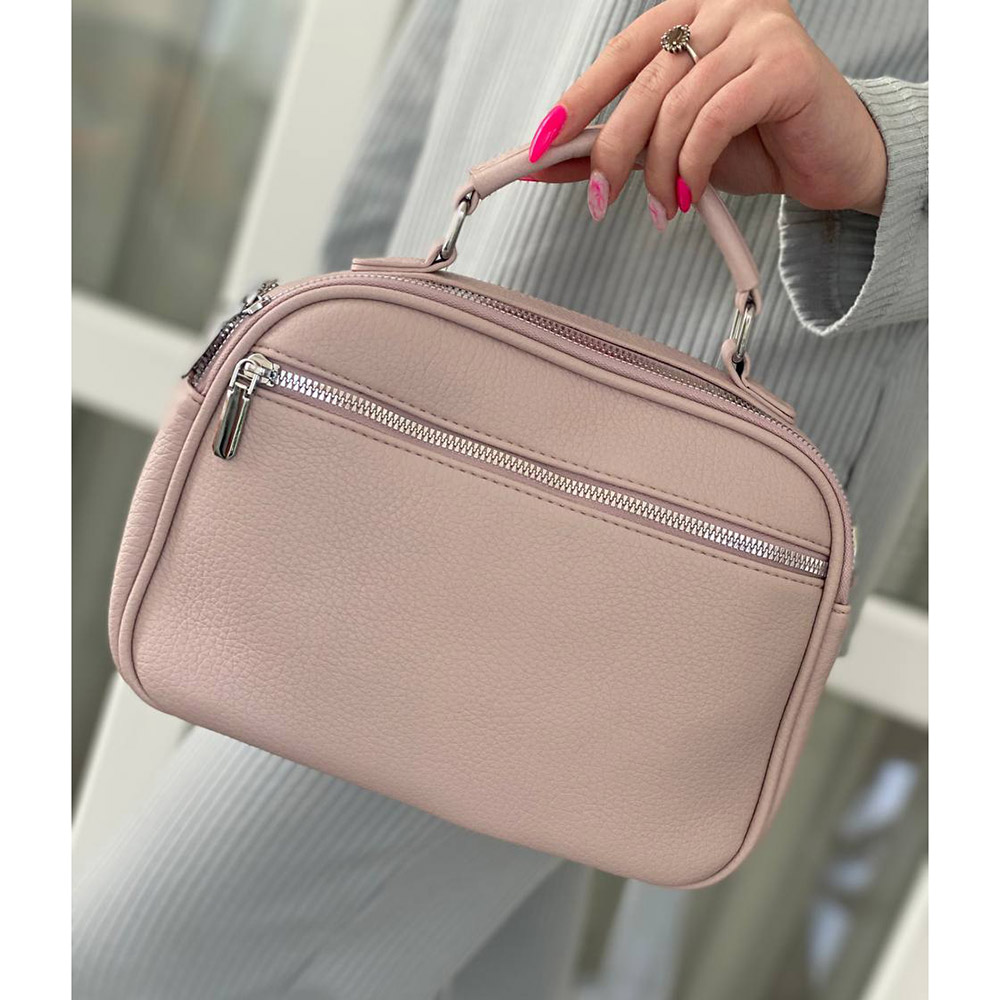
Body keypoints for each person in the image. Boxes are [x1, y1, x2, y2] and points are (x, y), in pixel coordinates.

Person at [73, 1, 927, 996]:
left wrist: (890, 149)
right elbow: (451, 57)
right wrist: (339, 333)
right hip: (400, 454)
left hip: (663, 548)